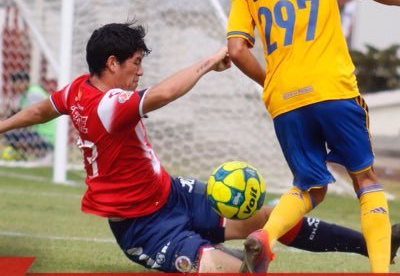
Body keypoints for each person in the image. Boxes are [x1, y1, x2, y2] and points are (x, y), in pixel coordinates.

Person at [0, 22, 399, 273]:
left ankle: (372, 244)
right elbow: (163, 94)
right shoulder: (111, 104)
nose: (140, 70)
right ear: (112, 62)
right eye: (135, 62)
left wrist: (3, 125)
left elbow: (39, 109)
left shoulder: (77, 90)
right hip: (144, 227)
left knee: (268, 220)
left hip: (174, 195)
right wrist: (210, 60)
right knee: (235, 269)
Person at [226, 0, 400, 273]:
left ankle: (265, 237)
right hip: (331, 87)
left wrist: (271, 79)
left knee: (308, 186)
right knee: (365, 180)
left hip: (284, 97)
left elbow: (237, 49)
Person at [1, 71, 55, 160]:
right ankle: (26, 156)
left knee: (9, 135)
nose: (14, 86)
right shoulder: (24, 96)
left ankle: (47, 153)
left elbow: (33, 116)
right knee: (11, 134)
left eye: (16, 83)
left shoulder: (33, 93)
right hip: (38, 132)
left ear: (24, 82)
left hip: (46, 135)